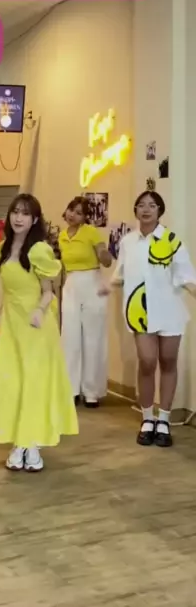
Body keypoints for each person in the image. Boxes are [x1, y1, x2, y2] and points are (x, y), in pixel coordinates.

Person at [0, 194, 78, 472]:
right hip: (13, 326)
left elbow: (47, 292)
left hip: (36, 326)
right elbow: (9, 293)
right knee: (14, 381)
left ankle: (31, 442)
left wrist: (39, 312)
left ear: (34, 220)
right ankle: (19, 441)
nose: (18, 218)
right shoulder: (2, 249)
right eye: (15, 212)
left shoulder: (39, 250)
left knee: (34, 381)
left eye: (24, 213)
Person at [100, 190, 196, 448]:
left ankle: (163, 419)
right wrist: (108, 287)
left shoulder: (172, 240)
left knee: (168, 361)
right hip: (140, 313)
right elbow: (120, 273)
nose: (146, 209)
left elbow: (187, 276)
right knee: (147, 361)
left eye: (152, 205)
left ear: (159, 211)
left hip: (170, 310)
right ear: (136, 210)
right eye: (141, 205)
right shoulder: (128, 242)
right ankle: (147, 418)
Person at [59, 196, 112, 407]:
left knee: (92, 338)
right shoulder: (62, 236)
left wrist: (105, 255)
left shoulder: (91, 232)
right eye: (71, 209)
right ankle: (71, 388)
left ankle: (91, 391)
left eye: (79, 213)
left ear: (85, 217)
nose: (73, 215)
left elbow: (103, 255)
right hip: (71, 285)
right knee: (70, 338)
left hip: (92, 283)